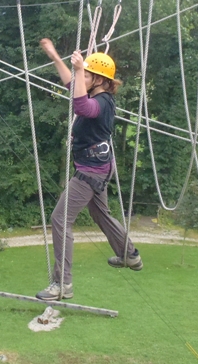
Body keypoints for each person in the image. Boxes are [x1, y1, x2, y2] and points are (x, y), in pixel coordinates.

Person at [36, 38, 142, 301]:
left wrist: (79, 68)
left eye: (86, 75)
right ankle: (129, 254)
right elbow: (72, 86)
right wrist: (55, 57)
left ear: (100, 80)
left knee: (60, 219)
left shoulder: (103, 102)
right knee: (101, 214)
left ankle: (63, 283)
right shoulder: (96, 94)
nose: (80, 79)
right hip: (98, 168)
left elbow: (81, 107)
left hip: (90, 172)